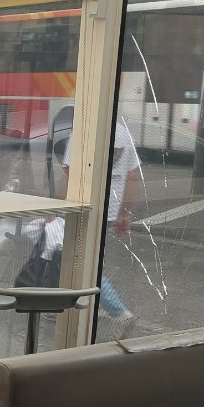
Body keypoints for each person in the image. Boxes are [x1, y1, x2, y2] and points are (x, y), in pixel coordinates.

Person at [45, 119, 141, 339]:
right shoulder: (124, 133)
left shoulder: (83, 131)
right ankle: (71, 302)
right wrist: (124, 212)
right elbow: (132, 176)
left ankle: (119, 312)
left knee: (82, 261)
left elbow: (70, 175)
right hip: (110, 211)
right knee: (79, 256)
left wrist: (56, 208)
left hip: (83, 208)